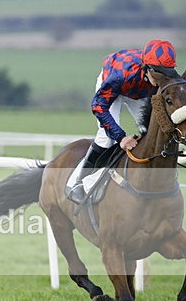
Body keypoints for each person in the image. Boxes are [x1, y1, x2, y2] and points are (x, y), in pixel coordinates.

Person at [68, 39, 178, 204]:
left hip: (138, 90)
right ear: (147, 68)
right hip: (114, 86)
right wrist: (121, 137)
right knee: (106, 138)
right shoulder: (120, 76)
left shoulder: (160, 77)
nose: (162, 79)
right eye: (159, 73)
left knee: (148, 132)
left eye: (166, 73)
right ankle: (77, 182)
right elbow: (98, 106)